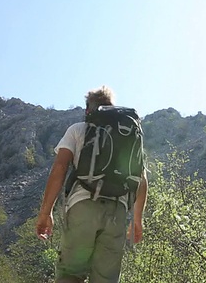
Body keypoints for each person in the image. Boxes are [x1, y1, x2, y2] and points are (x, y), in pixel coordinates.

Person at [35, 86, 148, 283]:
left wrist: (46, 213)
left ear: (89, 110)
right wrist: (137, 219)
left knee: (70, 273)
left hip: (83, 206)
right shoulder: (128, 135)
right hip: (117, 212)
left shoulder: (78, 130)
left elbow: (60, 168)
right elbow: (142, 179)